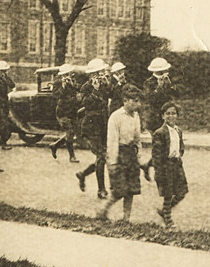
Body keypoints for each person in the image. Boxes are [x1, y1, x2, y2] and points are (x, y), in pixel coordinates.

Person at [98, 85, 145, 222]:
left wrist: (138, 154)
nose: (138, 104)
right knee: (119, 189)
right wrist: (112, 162)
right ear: (125, 100)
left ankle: (126, 218)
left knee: (132, 188)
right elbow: (112, 141)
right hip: (119, 153)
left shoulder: (135, 116)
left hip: (131, 154)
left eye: (138, 101)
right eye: (134, 101)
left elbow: (137, 137)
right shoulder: (116, 117)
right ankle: (102, 210)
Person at [76, 58, 111, 198]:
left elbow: (111, 96)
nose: (102, 74)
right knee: (101, 156)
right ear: (93, 74)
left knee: (102, 157)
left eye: (103, 72)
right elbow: (87, 104)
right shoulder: (85, 87)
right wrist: (95, 91)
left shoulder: (104, 85)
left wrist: (107, 84)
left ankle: (82, 174)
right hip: (91, 127)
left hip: (103, 125)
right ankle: (101, 189)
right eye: (100, 72)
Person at [151, 102, 188, 229]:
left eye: (173, 113)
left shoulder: (178, 131)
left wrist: (179, 153)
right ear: (163, 116)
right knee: (168, 193)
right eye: (168, 114)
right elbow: (156, 154)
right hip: (165, 165)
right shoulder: (160, 132)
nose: (171, 116)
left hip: (176, 164)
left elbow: (181, 145)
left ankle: (164, 210)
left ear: (177, 116)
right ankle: (168, 218)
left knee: (181, 192)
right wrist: (159, 170)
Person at [48, 64, 80, 163]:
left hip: (72, 111)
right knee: (70, 132)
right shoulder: (58, 83)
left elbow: (79, 89)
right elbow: (55, 96)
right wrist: (63, 86)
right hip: (62, 112)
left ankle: (55, 145)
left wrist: (72, 84)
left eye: (69, 73)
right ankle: (72, 156)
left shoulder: (73, 81)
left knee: (72, 133)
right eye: (66, 74)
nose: (68, 75)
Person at [143, 57, 178, 132]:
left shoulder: (168, 80)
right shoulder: (149, 82)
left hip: (167, 117)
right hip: (154, 118)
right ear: (160, 71)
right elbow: (149, 99)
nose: (167, 70)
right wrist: (159, 88)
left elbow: (175, 95)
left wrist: (170, 85)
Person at [0, 61, 15, 150]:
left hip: (4, 103)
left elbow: (12, 84)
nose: (4, 72)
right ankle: (2, 143)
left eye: (5, 71)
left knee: (4, 122)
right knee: (2, 123)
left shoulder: (5, 78)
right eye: (3, 71)